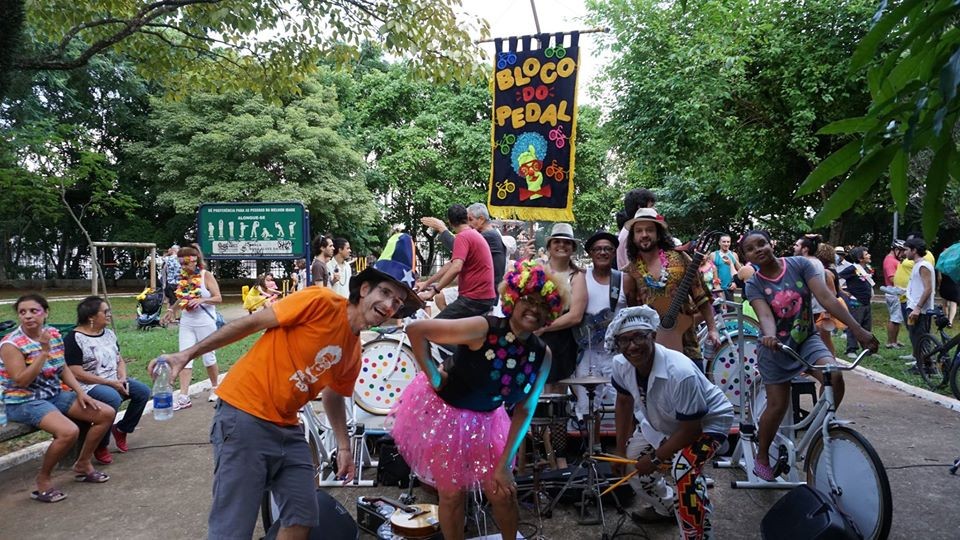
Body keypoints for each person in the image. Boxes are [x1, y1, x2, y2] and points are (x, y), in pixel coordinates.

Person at [150, 250, 422, 539]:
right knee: (233, 527)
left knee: (303, 514)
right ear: (364, 289)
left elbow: (333, 396)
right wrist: (187, 354)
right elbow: (252, 323)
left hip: (287, 428)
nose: (389, 304)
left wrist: (344, 447)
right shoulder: (321, 301)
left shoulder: (354, 352)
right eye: (385, 292)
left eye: (397, 301)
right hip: (244, 414)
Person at [389, 260, 568, 540]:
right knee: (451, 495)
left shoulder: (541, 354)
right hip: (445, 413)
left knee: (503, 492)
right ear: (514, 297)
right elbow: (417, 331)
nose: (534, 309)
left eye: (543, 305)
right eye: (529, 300)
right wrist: (435, 380)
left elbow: (525, 410)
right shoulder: (483, 327)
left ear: (550, 313)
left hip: (488, 419)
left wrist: (504, 465)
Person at [741, 230, 877, 481]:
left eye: (762, 243)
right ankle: (761, 455)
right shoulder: (754, 283)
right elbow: (766, 317)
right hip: (776, 349)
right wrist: (770, 336)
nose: (758, 249)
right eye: (751, 248)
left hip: (806, 340)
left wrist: (857, 330)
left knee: (833, 375)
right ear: (746, 256)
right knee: (777, 405)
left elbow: (826, 297)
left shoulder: (800, 265)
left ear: (771, 243)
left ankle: (823, 427)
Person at [607, 305, 733, 536]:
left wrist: (655, 458)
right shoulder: (621, 364)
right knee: (632, 467)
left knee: (683, 470)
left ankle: (698, 533)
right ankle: (667, 508)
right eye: (625, 340)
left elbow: (691, 430)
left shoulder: (680, 371)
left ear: (653, 336)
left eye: (639, 337)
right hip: (662, 422)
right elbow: (624, 403)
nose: (632, 346)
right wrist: (619, 450)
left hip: (707, 423)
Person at [0, 294, 115, 502]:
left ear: (45, 313)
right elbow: (21, 380)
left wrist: (80, 393)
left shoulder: (52, 333)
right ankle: (43, 479)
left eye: (34, 311)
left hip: (53, 394)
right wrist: (43, 353)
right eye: (22, 312)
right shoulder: (11, 344)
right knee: (68, 431)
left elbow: (62, 368)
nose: (27, 316)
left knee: (105, 413)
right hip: (23, 400)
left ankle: (82, 464)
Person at [622, 208, 720, 368]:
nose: (644, 234)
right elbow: (632, 309)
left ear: (658, 234)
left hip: (687, 345)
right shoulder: (630, 271)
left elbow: (701, 296)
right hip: (650, 350)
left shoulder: (680, 259)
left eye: (649, 230)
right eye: (639, 231)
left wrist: (712, 329)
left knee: (692, 390)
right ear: (633, 238)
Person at [64, 297, 151, 465]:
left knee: (143, 392)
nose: (110, 315)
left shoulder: (109, 334)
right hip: (87, 385)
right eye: (105, 312)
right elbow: (76, 372)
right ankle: (101, 445)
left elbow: (120, 360)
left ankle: (121, 429)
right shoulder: (74, 338)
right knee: (112, 398)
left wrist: (122, 378)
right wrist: (111, 384)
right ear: (91, 317)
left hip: (113, 380)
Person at [160, 245, 222, 409]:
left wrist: (202, 300)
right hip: (187, 321)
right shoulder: (184, 277)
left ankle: (216, 387)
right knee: (184, 357)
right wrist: (171, 310)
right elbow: (183, 298)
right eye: (181, 264)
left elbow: (218, 298)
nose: (183, 267)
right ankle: (183, 396)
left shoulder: (205, 276)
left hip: (205, 321)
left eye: (185, 264)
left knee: (208, 356)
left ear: (194, 261)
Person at [572, 231, 625, 421]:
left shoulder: (624, 280)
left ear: (613, 253)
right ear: (590, 253)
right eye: (597, 249)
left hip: (616, 354)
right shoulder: (580, 278)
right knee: (587, 408)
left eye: (608, 249)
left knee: (624, 403)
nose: (602, 253)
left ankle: (622, 447)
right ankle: (592, 446)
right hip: (587, 353)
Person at [417, 204, 497, 319]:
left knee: (433, 329)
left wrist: (433, 292)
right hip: (480, 298)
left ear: (449, 222)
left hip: (474, 299)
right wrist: (426, 283)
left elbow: (456, 268)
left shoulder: (463, 237)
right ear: (467, 218)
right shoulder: (472, 234)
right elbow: (451, 264)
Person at [538, 223, 588, 391]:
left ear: (572, 248)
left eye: (566, 242)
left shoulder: (577, 275)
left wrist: (544, 328)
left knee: (555, 393)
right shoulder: (536, 270)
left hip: (561, 344)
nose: (561, 245)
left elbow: (575, 316)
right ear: (549, 247)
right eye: (556, 241)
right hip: (533, 338)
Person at [838, 246, 875, 359]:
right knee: (854, 325)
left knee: (866, 326)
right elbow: (836, 278)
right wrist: (842, 291)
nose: (869, 255)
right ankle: (851, 349)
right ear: (860, 258)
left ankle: (867, 350)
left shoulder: (868, 268)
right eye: (866, 254)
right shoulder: (852, 269)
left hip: (866, 302)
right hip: (855, 302)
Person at [904, 237, 935, 360]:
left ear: (914, 250)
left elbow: (928, 288)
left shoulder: (923, 265)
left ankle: (926, 365)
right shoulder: (917, 265)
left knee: (921, 337)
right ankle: (920, 363)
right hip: (913, 306)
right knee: (915, 336)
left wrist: (918, 308)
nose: (904, 253)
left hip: (920, 310)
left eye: (906, 250)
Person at [616, 188, 657, 270]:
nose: (655, 210)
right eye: (651, 206)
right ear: (640, 208)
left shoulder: (628, 231)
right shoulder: (631, 234)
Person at [881, 240, 907, 348]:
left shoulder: (893, 260)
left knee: (898, 318)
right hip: (893, 292)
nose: (903, 254)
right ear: (896, 250)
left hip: (898, 292)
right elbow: (892, 278)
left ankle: (895, 340)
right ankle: (890, 342)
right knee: (895, 319)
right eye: (902, 251)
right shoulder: (890, 261)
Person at [711, 234, 742, 302]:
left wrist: (735, 283)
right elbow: (711, 273)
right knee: (723, 311)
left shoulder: (734, 255)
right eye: (724, 242)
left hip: (735, 288)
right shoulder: (713, 255)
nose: (726, 244)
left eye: (728, 242)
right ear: (719, 243)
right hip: (720, 289)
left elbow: (740, 271)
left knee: (738, 310)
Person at [161, 244, 181, 310]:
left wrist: (168, 253)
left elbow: (162, 258)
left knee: (170, 300)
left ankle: (170, 316)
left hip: (170, 282)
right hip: (179, 282)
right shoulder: (181, 258)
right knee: (179, 300)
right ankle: (175, 316)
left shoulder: (168, 258)